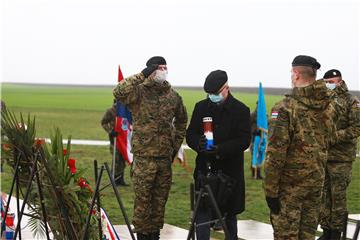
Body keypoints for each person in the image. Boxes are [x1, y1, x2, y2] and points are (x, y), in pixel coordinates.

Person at [264, 55, 339, 240]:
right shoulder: (329, 106)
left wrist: (271, 191)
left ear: (296, 74)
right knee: (307, 236)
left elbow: (275, 154)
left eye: (292, 72)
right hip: (315, 184)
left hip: (290, 189)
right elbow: (330, 139)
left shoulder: (284, 108)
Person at [113, 56, 187, 240]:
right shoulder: (138, 92)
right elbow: (118, 91)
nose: (163, 70)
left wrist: (175, 145)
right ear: (151, 70)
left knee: (159, 204)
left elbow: (182, 120)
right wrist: (141, 75)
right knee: (143, 204)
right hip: (144, 158)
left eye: (165, 67)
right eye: (159, 67)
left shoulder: (173, 95)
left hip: (164, 159)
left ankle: (155, 236)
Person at [186, 70, 251, 240]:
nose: (212, 97)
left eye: (215, 93)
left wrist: (220, 149)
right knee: (202, 213)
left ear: (226, 88)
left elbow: (244, 140)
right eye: (209, 94)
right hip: (205, 171)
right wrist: (198, 144)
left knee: (229, 215)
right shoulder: (201, 107)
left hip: (230, 173)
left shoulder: (241, 110)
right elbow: (191, 133)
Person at [318, 69, 360, 239]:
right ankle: (326, 230)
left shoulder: (352, 101)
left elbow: (357, 127)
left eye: (332, 81)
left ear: (340, 81)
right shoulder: (323, 100)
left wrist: (334, 137)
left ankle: (336, 233)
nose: (329, 84)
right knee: (324, 197)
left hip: (341, 159)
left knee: (338, 197)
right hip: (324, 156)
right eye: (326, 81)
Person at [101, 100, 128, 186]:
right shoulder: (110, 111)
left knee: (122, 160)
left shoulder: (125, 111)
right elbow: (103, 122)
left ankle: (121, 179)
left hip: (123, 139)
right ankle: (114, 180)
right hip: (114, 139)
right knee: (116, 160)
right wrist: (110, 131)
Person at [249, 102, 263, 179]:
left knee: (260, 156)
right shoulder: (252, 115)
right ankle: (254, 174)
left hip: (261, 139)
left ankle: (259, 174)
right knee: (254, 156)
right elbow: (248, 126)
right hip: (254, 138)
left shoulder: (264, 116)